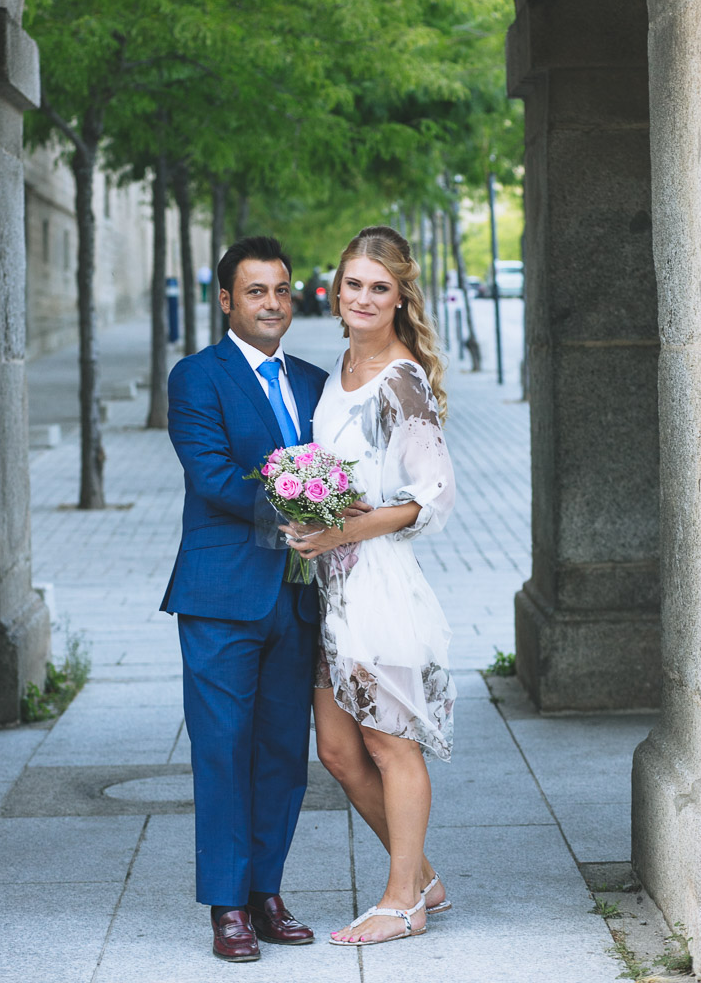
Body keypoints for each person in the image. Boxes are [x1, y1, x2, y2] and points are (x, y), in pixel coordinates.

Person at [281, 224, 456, 948]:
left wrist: (340, 532)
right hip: (331, 586)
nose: (361, 297)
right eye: (352, 283)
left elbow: (434, 495)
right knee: (339, 752)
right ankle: (424, 877)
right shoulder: (341, 368)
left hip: (377, 584)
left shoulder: (401, 380)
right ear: (335, 287)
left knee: (389, 747)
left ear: (398, 297)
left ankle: (400, 901)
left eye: (378, 287)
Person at [160, 235, 328, 963]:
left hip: (299, 596)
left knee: (285, 754)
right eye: (256, 291)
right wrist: (305, 506)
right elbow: (213, 477)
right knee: (224, 751)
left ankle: (267, 893)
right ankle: (226, 906)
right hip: (223, 593)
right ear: (226, 300)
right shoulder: (198, 378)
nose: (272, 303)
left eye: (282, 290)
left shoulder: (319, 382)